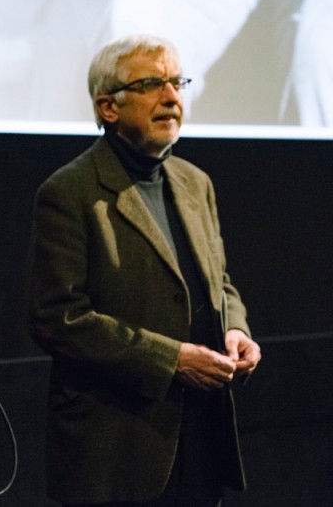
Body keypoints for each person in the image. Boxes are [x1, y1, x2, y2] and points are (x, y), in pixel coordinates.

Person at [26, 35, 262, 506]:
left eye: (177, 82)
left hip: (201, 437)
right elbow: (56, 318)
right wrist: (172, 359)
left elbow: (221, 283)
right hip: (117, 450)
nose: (173, 97)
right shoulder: (70, 191)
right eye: (153, 83)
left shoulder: (197, 183)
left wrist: (235, 329)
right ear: (107, 107)